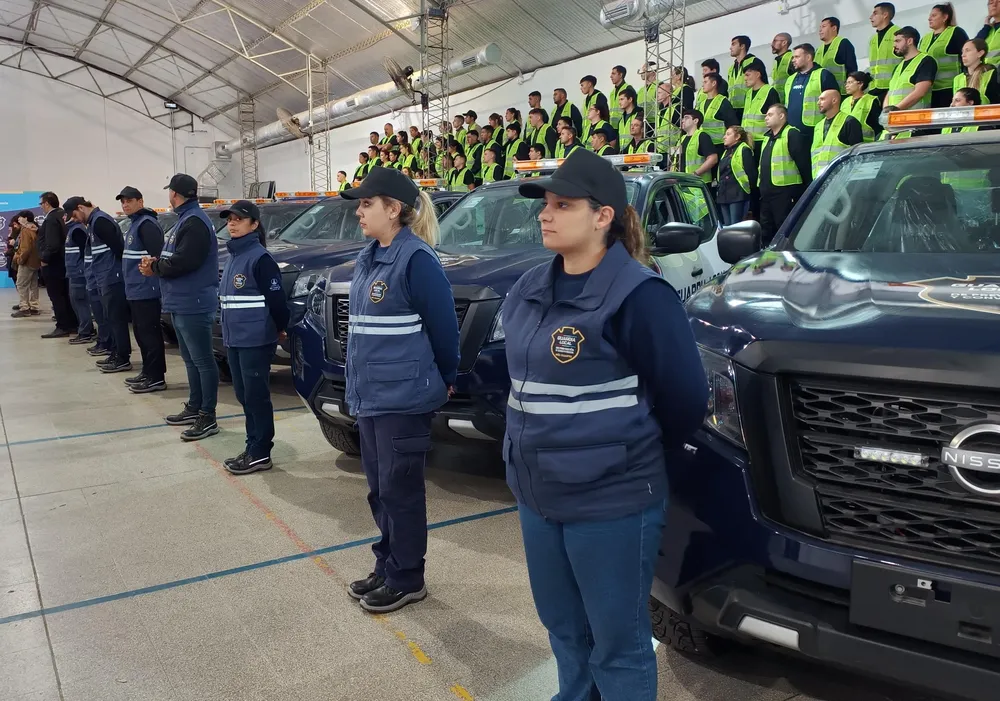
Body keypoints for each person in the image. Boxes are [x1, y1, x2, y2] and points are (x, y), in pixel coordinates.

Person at [503, 147, 708, 701]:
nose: (545, 214)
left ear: (603, 216)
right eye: (545, 204)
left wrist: (627, 459)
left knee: (618, 643)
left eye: (562, 204)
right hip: (538, 495)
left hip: (610, 501)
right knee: (565, 629)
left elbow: (686, 399)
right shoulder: (527, 290)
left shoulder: (639, 296)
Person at [339, 167, 459, 613]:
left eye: (367, 204)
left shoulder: (417, 259)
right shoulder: (371, 255)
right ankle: (387, 564)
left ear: (394, 209)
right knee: (379, 488)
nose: (360, 212)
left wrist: (445, 378)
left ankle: (408, 576)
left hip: (403, 397)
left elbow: (445, 331)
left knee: (400, 488)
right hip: (371, 396)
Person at [140, 174, 220, 441]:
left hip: (193, 302)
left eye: (170, 193)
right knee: (190, 360)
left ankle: (208, 416)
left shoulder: (195, 222)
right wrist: (156, 264)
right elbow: (175, 258)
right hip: (181, 301)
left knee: (203, 361)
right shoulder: (185, 220)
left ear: (174, 194)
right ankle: (195, 406)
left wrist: (155, 267)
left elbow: (186, 262)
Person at [216, 201, 289, 475]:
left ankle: (260, 451)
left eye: (239, 219)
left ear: (254, 225)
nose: (232, 223)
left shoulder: (260, 259)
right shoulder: (233, 255)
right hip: (235, 339)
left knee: (256, 396)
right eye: (230, 219)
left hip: (255, 339)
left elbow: (277, 301)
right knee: (244, 394)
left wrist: (279, 327)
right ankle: (252, 446)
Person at [64, 196, 132, 374]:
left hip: (112, 277)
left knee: (117, 320)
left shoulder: (101, 221)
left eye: (75, 215)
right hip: (104, 278)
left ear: (81, 207)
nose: (75, 220)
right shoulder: (94, 222)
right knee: (110, 318)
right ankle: (116, 353)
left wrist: (114, 271)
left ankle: (123, 358)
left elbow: (119, 249)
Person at [117, 187, 167, 394]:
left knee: (150, 333)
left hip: (147, 289)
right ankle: (147, 371)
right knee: (140, 332)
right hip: (135, 289)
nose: (125, 205)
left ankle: (156, 377)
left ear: (140, 201)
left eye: (129, 201)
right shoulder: (135, 224)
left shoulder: (147, 225)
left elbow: (158, 256)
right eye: (123, 202)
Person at [758, 104, 812, 244]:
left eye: (770, 114)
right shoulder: (767, 138)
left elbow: (803, 163)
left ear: (781, 116)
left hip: (785, 191)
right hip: (766, 192)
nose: (766, 118)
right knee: (766, 229)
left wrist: (807, 188)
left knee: (784, 229)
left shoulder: (791, 133)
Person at [37, 192, 78, 338]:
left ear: (47, 203)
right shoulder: (62, 215)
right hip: (64, 262)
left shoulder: (51, 219)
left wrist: (44, 259)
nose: (41, 207)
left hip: (53, 264)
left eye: (41, 204)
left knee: (57, 296)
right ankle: (73, 324)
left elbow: (52, 244)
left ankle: (62, 326)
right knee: (66, 295)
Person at [787, 43, 840, 144]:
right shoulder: (790, 79)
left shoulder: (823, 75)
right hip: (792, 131)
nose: (793, 60)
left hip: (815, 130)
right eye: (793, 57)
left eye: (797, 57)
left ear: (808, 57)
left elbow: (834, 102)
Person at [919, 3, 969, 106]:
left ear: (945, 17)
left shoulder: (955, 32)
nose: (929, 18)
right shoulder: (925, 38)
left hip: (949, 88)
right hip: (929, 90)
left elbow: (966, 56)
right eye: (930, 16)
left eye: (934, 15)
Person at [811, 90, 864, 178]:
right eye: (818, 99)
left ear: (834, 100)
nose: (818, 103)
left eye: (822, 99)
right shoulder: (818, 126)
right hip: (820, 178)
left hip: (842, 178)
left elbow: (857, 155)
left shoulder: (849, 122)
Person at [886, 26, 938, 110]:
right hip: (896, 118)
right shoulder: (899, 66)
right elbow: (890, 92)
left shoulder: (926, 61)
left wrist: (896, 108)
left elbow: (920, 92)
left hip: (915, 117)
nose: (894, 45)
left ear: (909, 41)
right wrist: (886, 109)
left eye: (898, 41)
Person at [63, 210, 94, 344]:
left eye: (65, 214)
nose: (63, 217)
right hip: (74, 272)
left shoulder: (77, 230)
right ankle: (85, 329)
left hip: (79, 273)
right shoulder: (72, 230)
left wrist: (81, 268)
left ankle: (86, 332)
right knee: (76, 302)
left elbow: (85, 251)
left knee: (81, 302)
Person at [717, 125, 758, 225]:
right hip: (724, 193)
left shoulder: (744, 150)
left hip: (737, 194)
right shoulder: (726, 152)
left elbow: (751, 174)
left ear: (737, 136)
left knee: (735, 224)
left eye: (728, 134)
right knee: (727, 225)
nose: (724, 137)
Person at [741, 63, 781, 151]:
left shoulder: (770, 91)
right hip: (747, 141)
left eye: (748, 75)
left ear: (758, 74)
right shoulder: (748, 93)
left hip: (763, 140)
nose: (745, 78)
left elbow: (776, 118)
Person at [870, 2, 903, 102]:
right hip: (874, 88)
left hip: (893, 87)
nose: (871, 17)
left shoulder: (899, 34)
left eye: (875, 13)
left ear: (885, 15)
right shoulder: (873, 39)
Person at [817, 17, 859, 95]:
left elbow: (852, 69)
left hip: (840, 93)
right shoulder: (818, 50)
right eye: (820, 27)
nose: (820, 30)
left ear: (834, 28)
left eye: (823, 26)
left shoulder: (843, 43)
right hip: (823, 94)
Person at [699, 73, 739, 155]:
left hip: (719, 146)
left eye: (705, 82)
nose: (703, 85)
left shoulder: (723, 102)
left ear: (714, 83)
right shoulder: (701, 103)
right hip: (703, 145)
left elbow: (732, 125)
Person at [12, 211, 40, 318]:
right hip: (35, 262)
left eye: (20, 217)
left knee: (21, 284)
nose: (18, 219)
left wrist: (20, 260)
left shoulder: (25, 231)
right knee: (33, 285)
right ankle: (34, 307)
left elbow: (26, 249)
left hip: (27, 262)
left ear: (26, 218)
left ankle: (24, 308)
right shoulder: (34, 230)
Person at [727, 35, 763, 120]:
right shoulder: (731, 68)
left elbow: (763, 85)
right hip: (733, 110)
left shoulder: (754, 61)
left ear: (742, 46)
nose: (730, 48)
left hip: (749, 107)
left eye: (733, 44)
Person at [679, 109, 718, 184]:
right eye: (683, 118)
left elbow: (713, 158)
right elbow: (675, 160)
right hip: (682, 182)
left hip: (698, 183)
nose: (683, 120)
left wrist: (696, 173)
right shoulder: (681, 139)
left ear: (695, 121)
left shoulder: (702, 136)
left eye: (686, 118)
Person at [956, 38, 1000, 102]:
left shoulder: (992, 74)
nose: (963, 55)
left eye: (967, 50)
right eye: (962, 51)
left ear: (980, 53)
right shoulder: (957, 79)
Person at [845, 71, 884, 141]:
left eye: (850, 82)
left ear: (860, 84)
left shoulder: (871, 101)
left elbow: (878, 126)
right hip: (847, 143)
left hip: (866, 144)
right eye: (846, 83)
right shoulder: (845, 101)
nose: (846, 85)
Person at [974, 0, 1000, 67]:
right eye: (991, 3)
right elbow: (974, 46)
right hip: (986, 73)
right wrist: (986, 27)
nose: (994, 5)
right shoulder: (988, 30)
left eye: (999, 1)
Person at [772, 32, 796, 100]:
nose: (772, 44)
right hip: (779, 102)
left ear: (784, 42)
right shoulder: (776, 61)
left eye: (775, 41)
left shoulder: (792, 58)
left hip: (788, 102)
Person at [609, 65, 632, 129]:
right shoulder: (612, 93)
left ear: (620, 75)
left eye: (613, 73)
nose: (611, 76)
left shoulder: (628, 88)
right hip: (613, 127)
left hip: (625, 125)